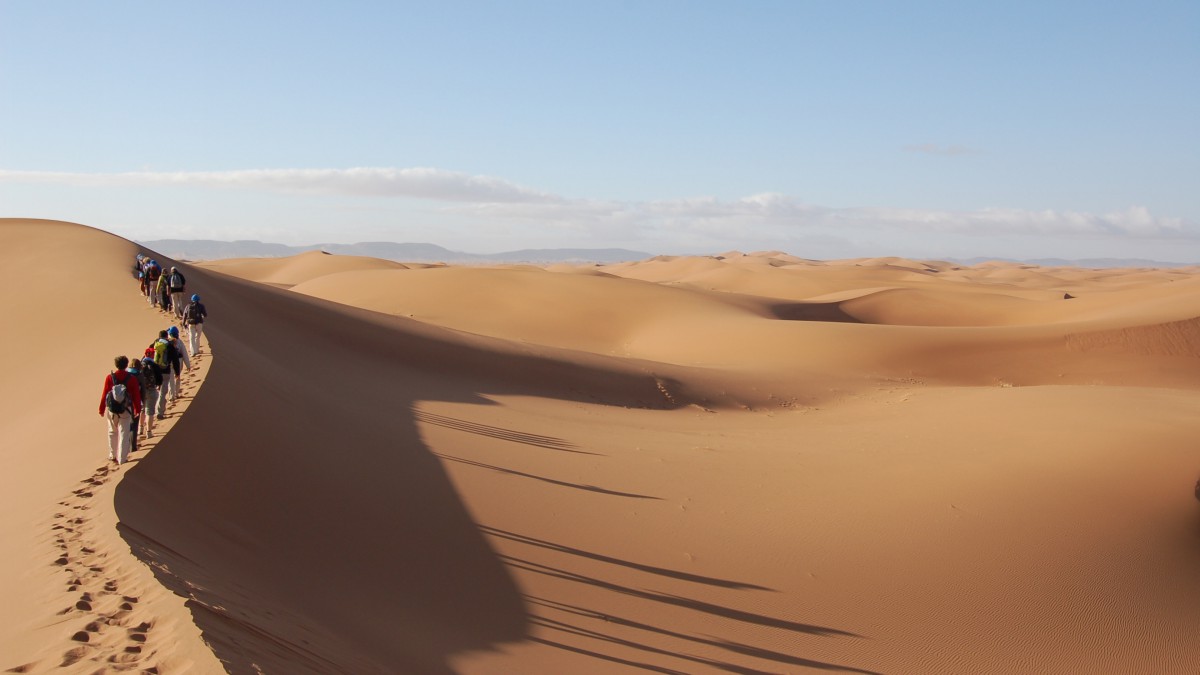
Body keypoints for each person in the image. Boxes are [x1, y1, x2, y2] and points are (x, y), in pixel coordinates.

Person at [98, 356, 142, 467]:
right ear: (126, 365)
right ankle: (122, 458)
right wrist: (137, 409)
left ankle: (112, 455)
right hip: (126, 410)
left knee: (112, 432)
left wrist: (102, 408)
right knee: (124, 433)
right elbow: (136, 396)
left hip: (112, 410)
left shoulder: (110, 378)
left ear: (116, 365)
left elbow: (105, 394)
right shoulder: (131, 378)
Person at [138, 347, 163, 437]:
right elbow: (160, 379)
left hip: (141, 391)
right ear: (153, 355)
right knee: (150, 412)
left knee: (142, 410)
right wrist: (158, 385)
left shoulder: (139, 364)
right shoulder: (154, 365)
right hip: (152, 390)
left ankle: (140, 429)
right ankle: (148, 432)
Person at [165, 326, 191, 406]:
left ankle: (172, 396)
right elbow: (185, 354)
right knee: (177, 377)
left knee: (171, 380)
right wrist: (188, 365)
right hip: (179, 362)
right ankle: (176, 394)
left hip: (170, 363)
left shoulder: (167, 342)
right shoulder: (180, 342)